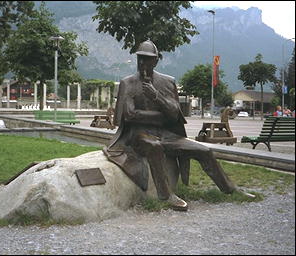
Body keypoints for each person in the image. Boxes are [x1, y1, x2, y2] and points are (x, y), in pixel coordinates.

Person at [103, 40, 255, 211]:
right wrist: (160, 117)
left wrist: (156, 96)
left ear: (156, 61)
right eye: (140, 58)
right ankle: (166, 195)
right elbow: (128, 115)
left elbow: (174, 113)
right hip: (138, 135)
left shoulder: (167, 82)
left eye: (147, 59)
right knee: (154, 146)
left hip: (165, 134)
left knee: (205, 151)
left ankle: (230, 189)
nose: (142, 63)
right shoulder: (128, 83)